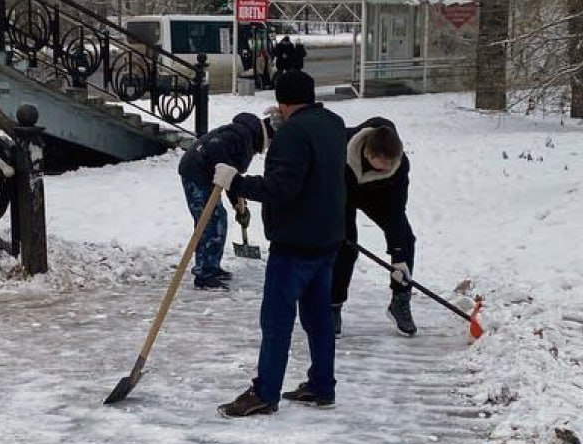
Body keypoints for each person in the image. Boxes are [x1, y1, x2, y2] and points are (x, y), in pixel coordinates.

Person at [212, 71, 346, 416]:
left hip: (295, 242)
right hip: (327, 239)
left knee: (276, 320)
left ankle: (265, 393)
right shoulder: (334, 124)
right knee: (318, 318)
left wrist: (236, 183)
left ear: (282, 102)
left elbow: (281, 189)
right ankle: (322, 385)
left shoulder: (292, 134)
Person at [331, 118, 417, 337]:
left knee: (405, 239)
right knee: (345, 247)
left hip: (378, 197)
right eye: (383, 164)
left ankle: (400, 299)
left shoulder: (400, 166)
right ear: (368, 153)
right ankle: (333, 305)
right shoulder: (340, 144)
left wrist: (398, 256)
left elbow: (396, 211)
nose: (388, 167)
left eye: (391, 163)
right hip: (341, 196)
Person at [177, 112, 274, 289]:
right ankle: (205, 274)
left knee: (217, 219)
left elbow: (230, 175)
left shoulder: (245, 136)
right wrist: (223, 167)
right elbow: (218, 153)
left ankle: (211, 267)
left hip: (202, 173)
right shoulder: (241, 135)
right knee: (210, 221)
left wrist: (237, 204)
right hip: (196, 173)